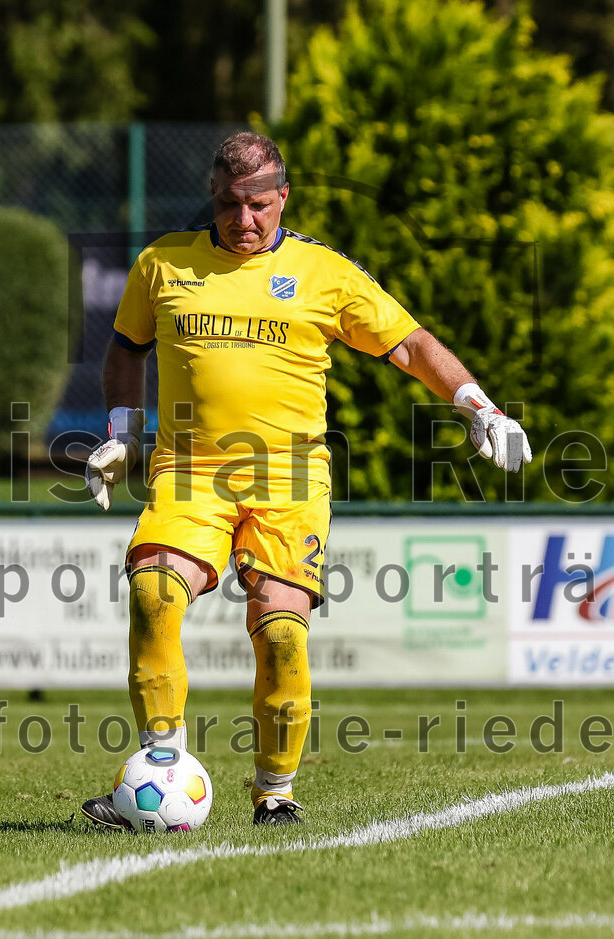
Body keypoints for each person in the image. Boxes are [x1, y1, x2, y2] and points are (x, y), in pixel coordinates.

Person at [80, 131, 531, 827]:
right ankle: (162, 768)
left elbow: (409, 343)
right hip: (190, 472)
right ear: (213, 197)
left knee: (281, 632)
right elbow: (126, 349)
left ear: (283, 197)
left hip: (289, 481)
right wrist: (122, 432)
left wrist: (478, 404)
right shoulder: (162, 264)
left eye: (258, 204)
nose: (244, 218)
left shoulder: (324, 273)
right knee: (152, 592)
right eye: (229, 204)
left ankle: (275, 792)